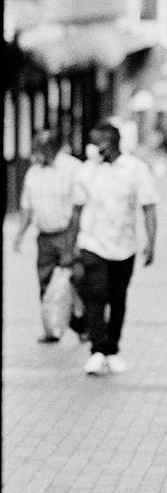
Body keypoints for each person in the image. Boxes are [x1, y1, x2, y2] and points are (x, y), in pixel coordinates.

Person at [68, 121, 159, 375]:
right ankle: (97, 350)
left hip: (124, 245)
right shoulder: (86, 171)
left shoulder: (136, 169)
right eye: (93, 142)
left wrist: (151, 242)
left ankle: (112, 349)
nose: (94, 147)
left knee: (117, 298)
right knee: (96, 295)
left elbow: (148, 206)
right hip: (92, 243)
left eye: (99, 142)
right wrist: (71, 246)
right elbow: (76, 211)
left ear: (114, 142)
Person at [12, 129, 87, 342]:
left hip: (67, 234)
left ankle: (82, 326)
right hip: (44, 236)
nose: (36, 154)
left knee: (73, 281)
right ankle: (52, 326)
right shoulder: (34, 172)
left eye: (40, 149)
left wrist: (73, 243)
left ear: (52, 148)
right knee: (45, 282)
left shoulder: (73, 168)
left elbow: (78, 209)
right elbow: (27, 206)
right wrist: (20, 234)